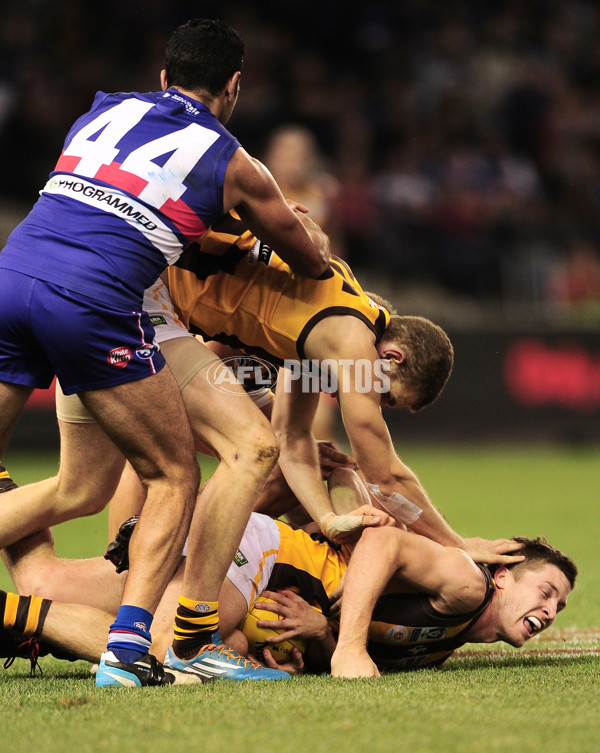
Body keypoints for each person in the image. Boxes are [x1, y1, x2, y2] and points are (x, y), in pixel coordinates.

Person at [0, 18, 330, 687]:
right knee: (183, 473)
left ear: (161, 78)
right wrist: (272, 236)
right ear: (234, 87)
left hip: (15, 274)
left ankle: (182, 637)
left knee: (85, 487)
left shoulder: (100, 112)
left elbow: (120, 208)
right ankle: (145, 647)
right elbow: (308, 258)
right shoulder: (235, 161)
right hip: (101, 308)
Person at [162, 215, 523, 565]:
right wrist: (456, 544)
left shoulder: (322, 347)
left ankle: (170, 551)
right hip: (158, 284)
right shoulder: (354, 347)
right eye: (386, 396)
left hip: (173, 292)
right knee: (191, 444)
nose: (372, 403)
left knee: (274, 454)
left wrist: (327, 520)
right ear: (392, 356)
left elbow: (293, 436)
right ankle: (160, 557)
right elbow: (385, 477)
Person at [0, 468, 576, 679]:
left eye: (559, 608)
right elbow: (382, 542)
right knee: (168, 649)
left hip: (267, 573)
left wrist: (322, 637)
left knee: (44, 584)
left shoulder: (445, 645)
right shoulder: (468, 583)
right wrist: (348, 646)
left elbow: (350, 616)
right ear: (505, 575)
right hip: (268, 553)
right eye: (546, 591)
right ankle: (157, 492)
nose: (550, 612)